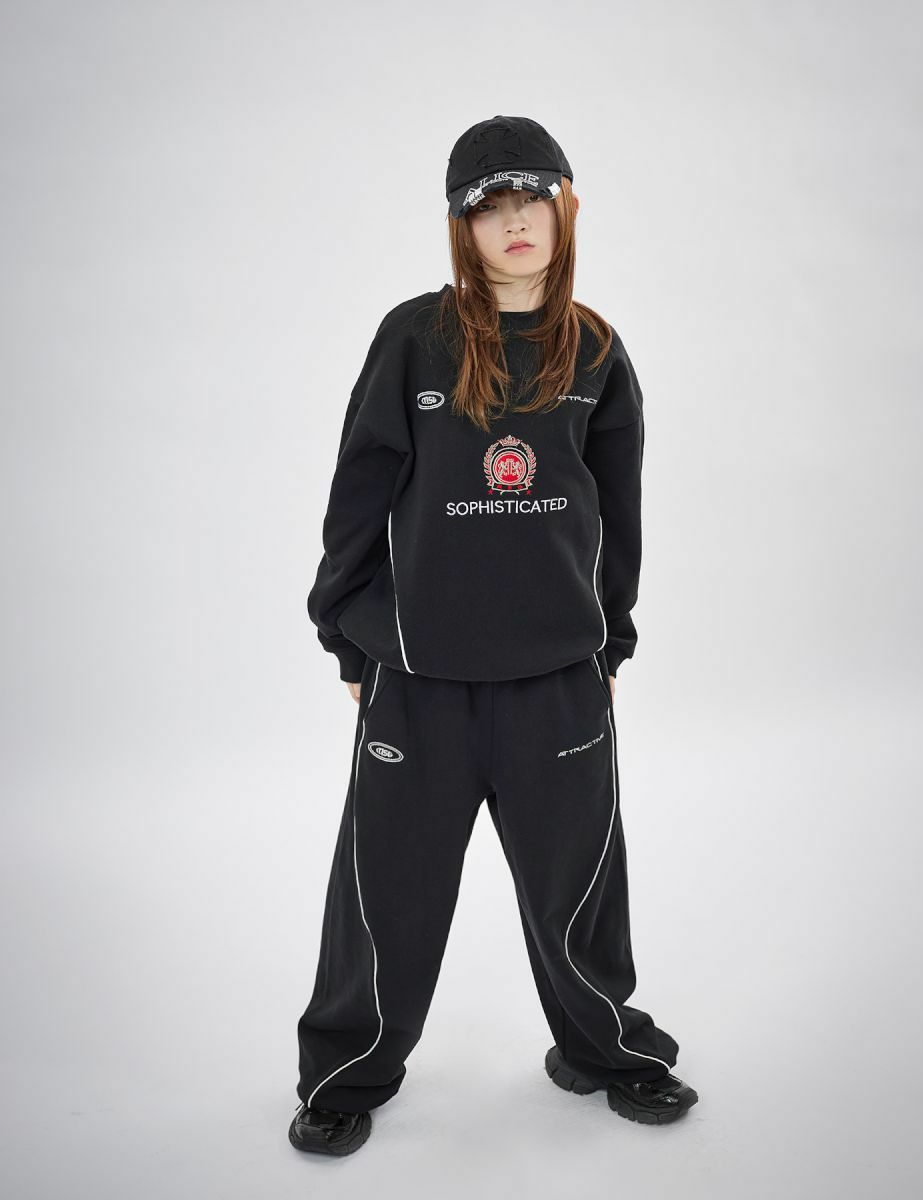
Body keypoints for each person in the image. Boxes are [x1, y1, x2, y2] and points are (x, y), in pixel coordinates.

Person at [289, 114, 699, 1158]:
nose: (515, 222)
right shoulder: (414, 339)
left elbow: (618, 515)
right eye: (490, 207)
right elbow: (357, 494)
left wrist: (609, 645)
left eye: (533, 201)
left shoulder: (595, 350)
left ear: (566, 211)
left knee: (577, 888)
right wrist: (348, 636)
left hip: (555, 682)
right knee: (387, 888)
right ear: (461, 228)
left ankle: (605, 1052)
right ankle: (347, 1072)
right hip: (419, 679)